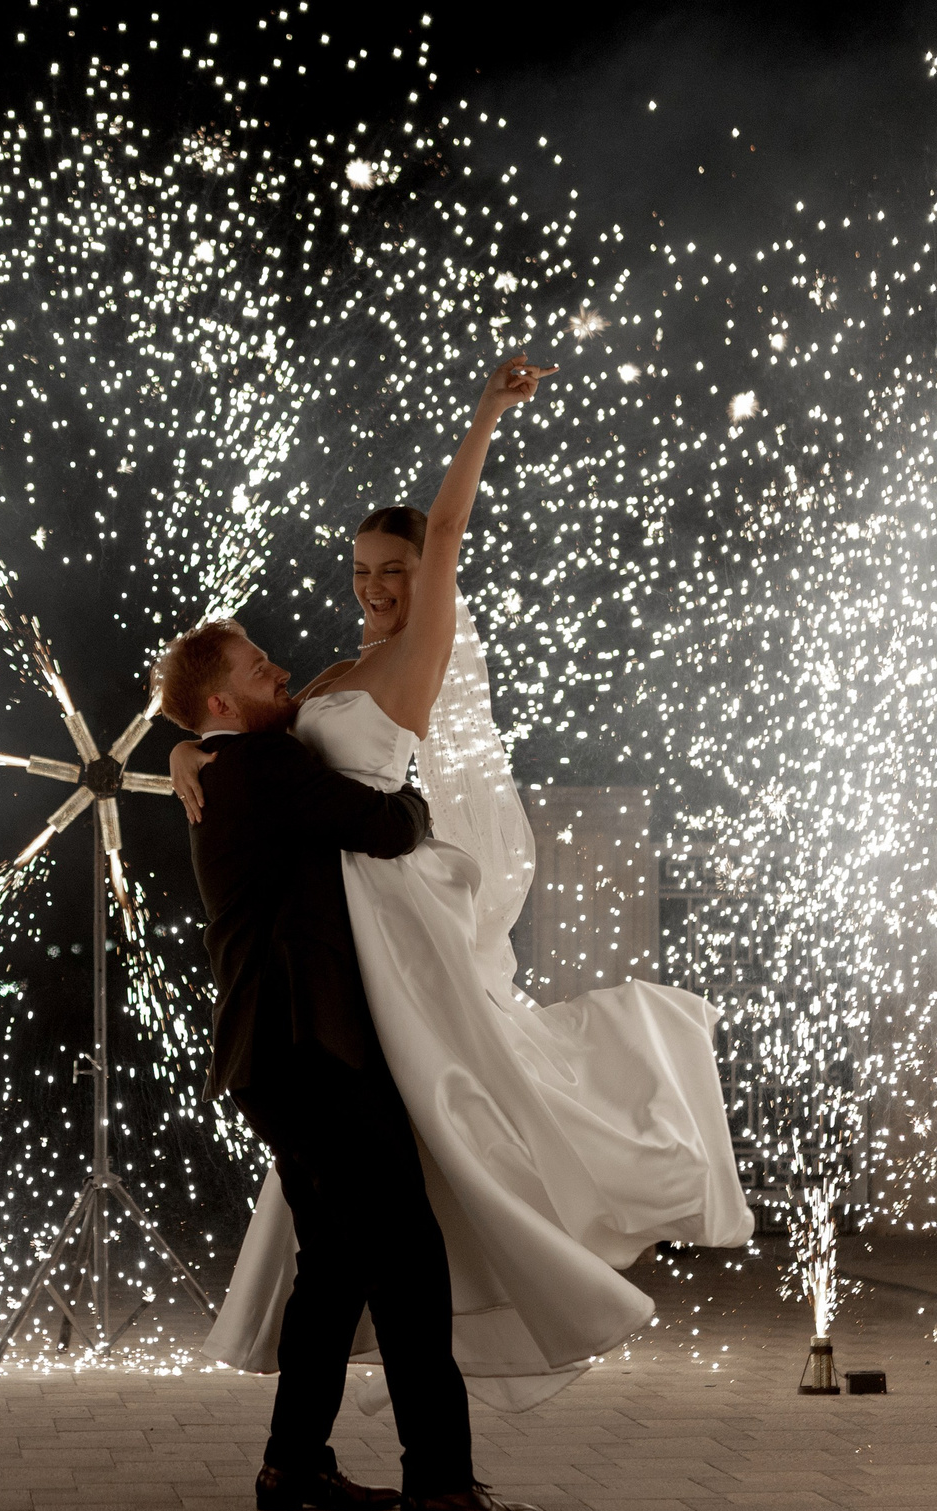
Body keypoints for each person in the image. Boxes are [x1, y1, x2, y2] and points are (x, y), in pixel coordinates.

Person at [171, 351, 752, 1418]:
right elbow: (250, 746)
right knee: (377, 1193)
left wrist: (484, 415)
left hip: (388, 907)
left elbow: (445, 538)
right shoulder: (330, 677)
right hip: (336, 925)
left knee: (437, 1115)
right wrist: (185, 753)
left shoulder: (414, 657)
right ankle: (337, 1452)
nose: (377, 586)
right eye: (359, 569)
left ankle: (404, 1435)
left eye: (392, 568)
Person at [150, 615, 545, 1511]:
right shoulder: (261, 769)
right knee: (406, 1253)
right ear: (220, 702)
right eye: (258, 667)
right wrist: (416, 803)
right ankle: (440, 1482)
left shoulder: (227, 764)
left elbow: (264, 752)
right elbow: (381, 825)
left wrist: (181, 747)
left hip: (271, 1055)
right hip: (310, 1049)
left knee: (333, 1260)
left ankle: (293, 1463)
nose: (278, 668)